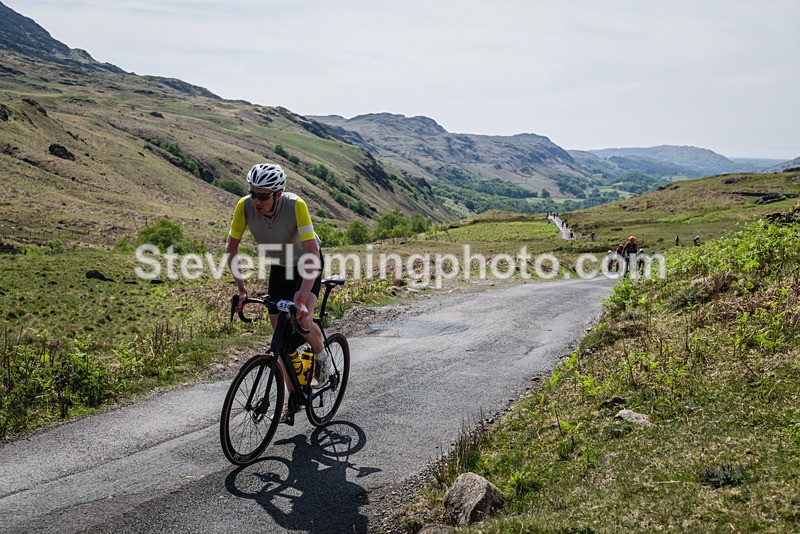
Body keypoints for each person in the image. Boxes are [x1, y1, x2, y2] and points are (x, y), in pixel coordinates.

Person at [226, 163, 332, 391]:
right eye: (253, 193)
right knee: (278, 336)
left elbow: (312, 254)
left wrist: (301, 300)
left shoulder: (295, 206)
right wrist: (242, 290)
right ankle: (293, 395)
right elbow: (231, 249)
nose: (257, 202)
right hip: (280, 264)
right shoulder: (244, 207)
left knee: (303, 320)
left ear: (278, 194)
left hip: (307, 262)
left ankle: (322, 358)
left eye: (263, 196)